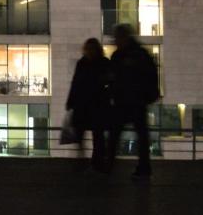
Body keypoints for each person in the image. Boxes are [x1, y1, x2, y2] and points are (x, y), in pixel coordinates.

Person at [110, 24, 160, 180]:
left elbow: (115, 77)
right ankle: (143, 168)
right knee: (140, 135)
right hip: (135, 101)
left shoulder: (123, 55)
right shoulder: (140, 54)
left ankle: (110, 165)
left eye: (117, 38)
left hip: (130, 101)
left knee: (116, 134)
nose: (115, 41)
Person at [65, 38, 112, 172]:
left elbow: (76, 83)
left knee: (96, 135)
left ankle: (94, 163)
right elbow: (75, 83)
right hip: (87, 104)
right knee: (89, 134)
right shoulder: (89, 63)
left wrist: (71, 101)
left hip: (94, 105)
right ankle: (88, 162)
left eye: (92, 49)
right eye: (88, 49)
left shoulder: (88, 63)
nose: (90, 52)